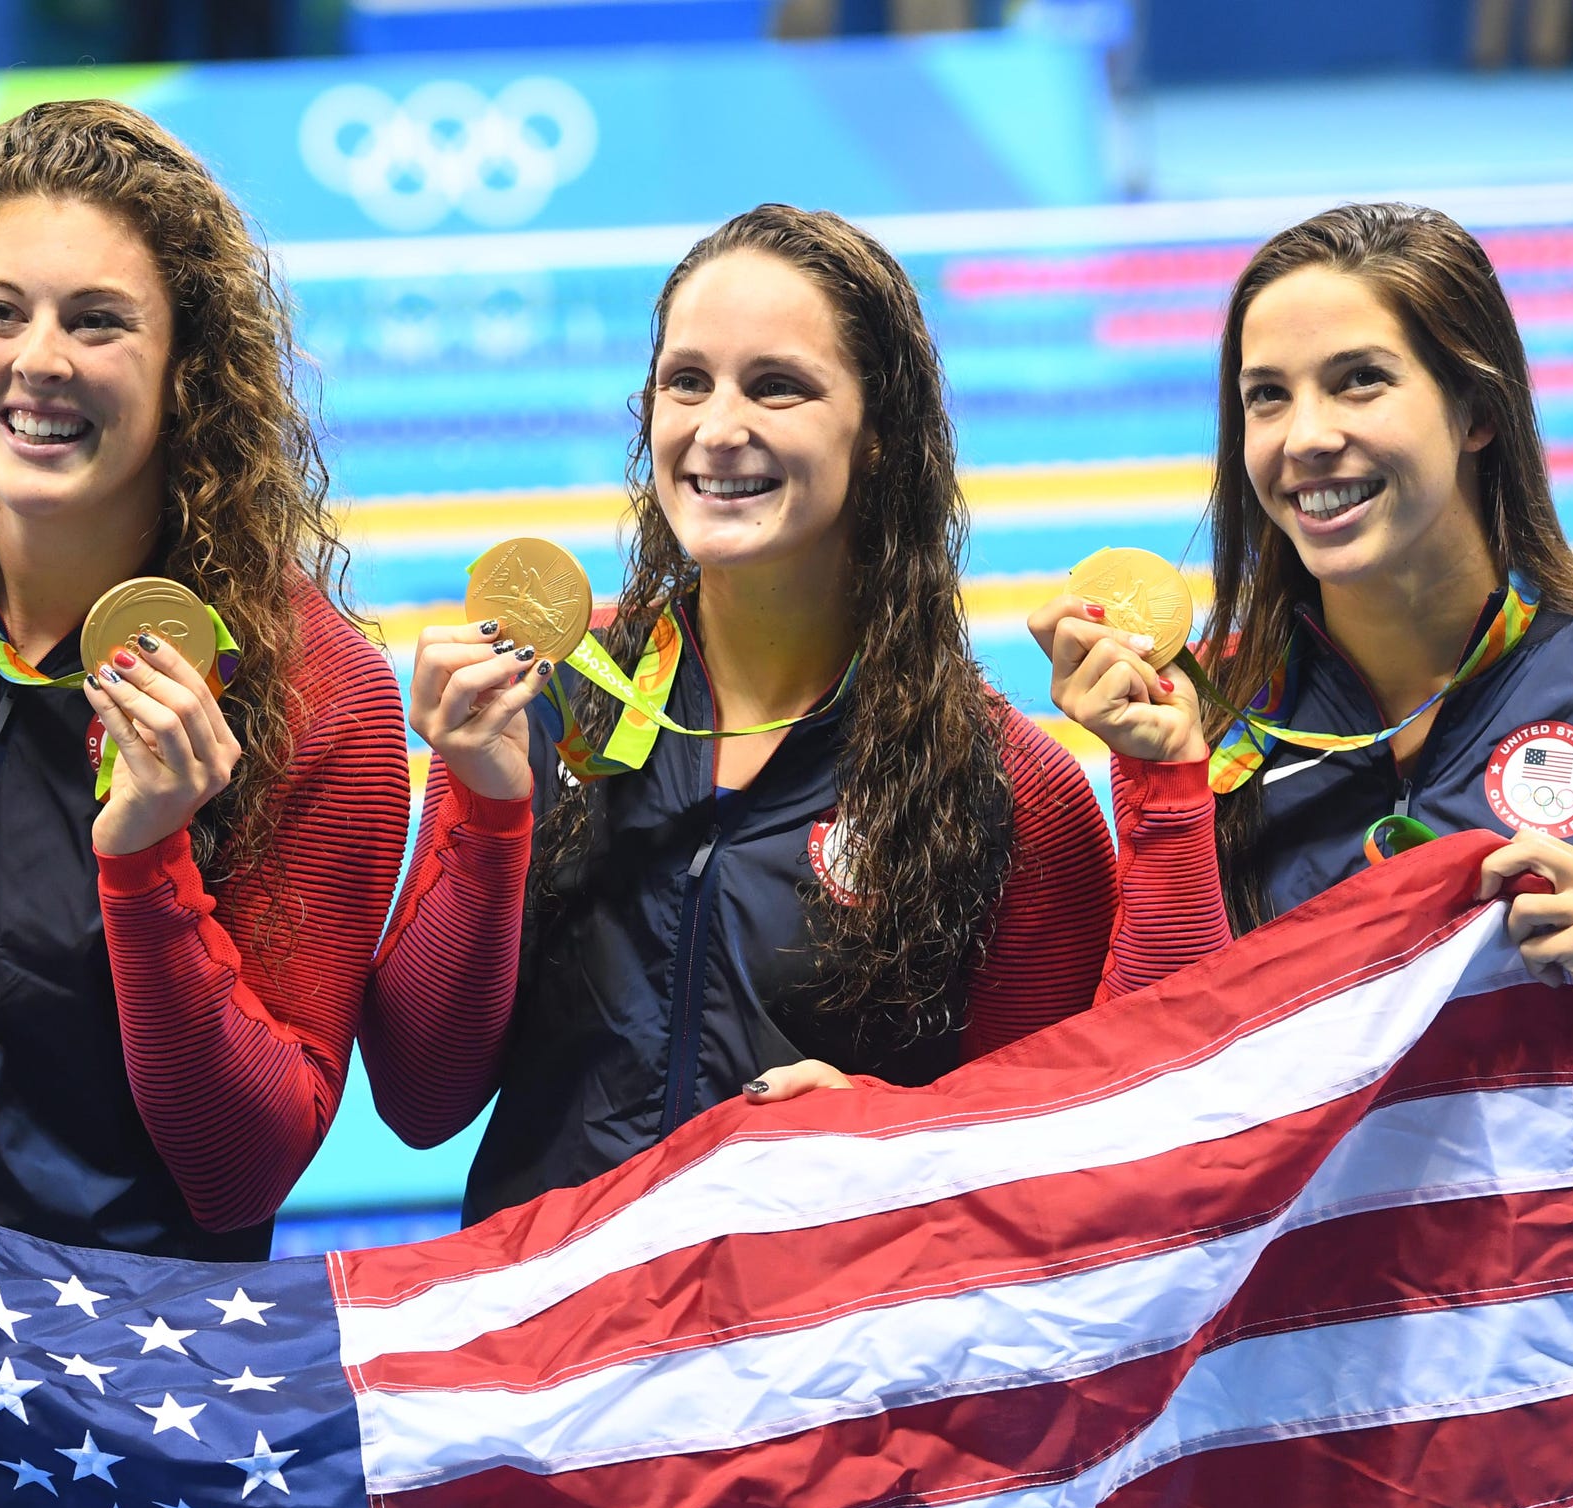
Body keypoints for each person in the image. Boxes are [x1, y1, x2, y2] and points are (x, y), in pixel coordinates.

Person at [1028, 200, 1573, 1508]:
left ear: (1475, 408)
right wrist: (1167, 793)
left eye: (1357, 381)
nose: (1304, 436)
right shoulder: (1217, 714)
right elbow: (1157, 1078)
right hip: (1320, 1409)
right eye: (1265, 396)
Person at [0, 101, 409, 1259]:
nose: (38, 360)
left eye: (97, 322)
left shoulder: (316, 693)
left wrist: (147, 866)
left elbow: (243, 1169)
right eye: (2, 312)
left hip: (114, 1375)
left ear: (188, 366)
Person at [363, 204, 1116, 1223]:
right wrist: (489, 813)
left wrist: (896, 1132)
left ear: (882, 436)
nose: (718, 430)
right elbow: (417, 1096)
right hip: (552, 1347)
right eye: (687, 382)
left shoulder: (1011, 788)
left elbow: (1061, 1166)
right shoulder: (541, 699)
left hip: (814, 1360)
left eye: (778, 387)